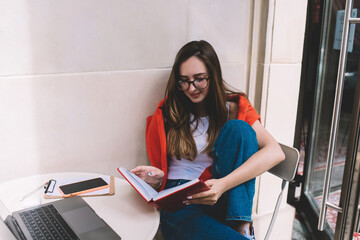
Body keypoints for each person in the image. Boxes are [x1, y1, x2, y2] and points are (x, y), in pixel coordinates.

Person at [131, 40, 285, 240]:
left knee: (240, 129)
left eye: (199, 79)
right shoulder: (170, 112)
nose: (191, 87)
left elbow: (275, 152)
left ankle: (241, 226)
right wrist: (158, 177)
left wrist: (222, 184)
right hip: (180, 203)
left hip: (219, 196)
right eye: (184, 80)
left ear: (213, 76)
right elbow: (169, 166)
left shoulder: (234, 109)